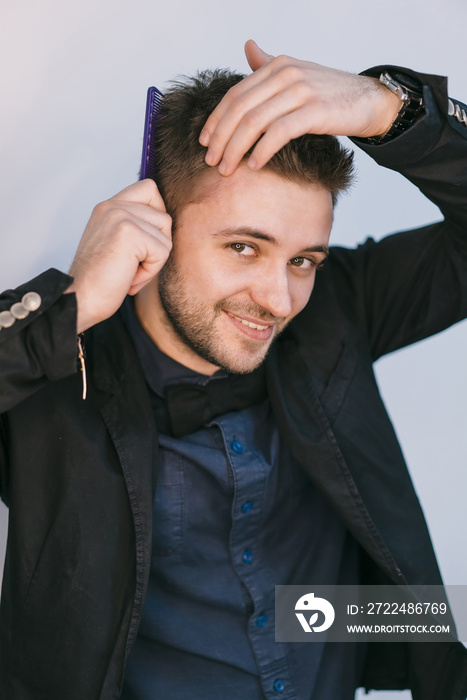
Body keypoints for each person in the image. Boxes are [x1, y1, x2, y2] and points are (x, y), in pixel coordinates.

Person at [0, 39, 466, 700]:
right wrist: (66, 308)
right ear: (154, 225)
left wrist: (386, 106)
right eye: (244, 247)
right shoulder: (54, 368)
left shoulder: (337, 310)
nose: (278, 301)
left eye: (303, 259)